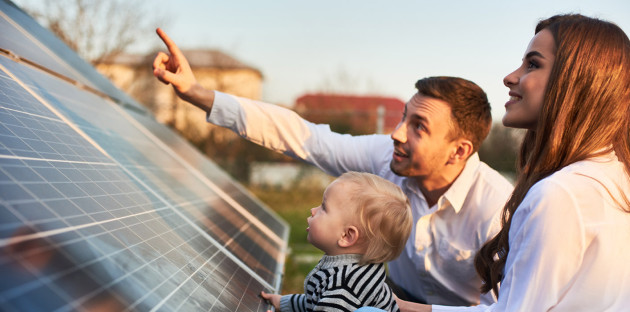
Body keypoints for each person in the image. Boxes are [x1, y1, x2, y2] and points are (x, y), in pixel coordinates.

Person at [152, 28, 514, 306]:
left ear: (458, 151)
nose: (397, 133)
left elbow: (510, 307)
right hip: (385, 297)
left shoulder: (497, 210)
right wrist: (197, 93)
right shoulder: (387, 158)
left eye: (419, 126)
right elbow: (303, 137)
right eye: (404, 117)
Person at [392, 13, 630, 312]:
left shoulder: (559, 195)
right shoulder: (615, 175)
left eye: (533, 64)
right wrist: (405, 308)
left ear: (576, 81)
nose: (510, 77)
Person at [260, 171, 412, 311]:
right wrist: (282, 303)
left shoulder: (344, 288)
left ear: (347, 236)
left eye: (324, 208)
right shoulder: (346, 267)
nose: (313, 210)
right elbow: (314, 301)